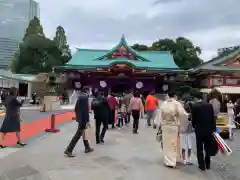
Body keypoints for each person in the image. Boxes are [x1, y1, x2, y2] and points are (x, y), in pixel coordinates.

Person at [160, 91, 188, 168]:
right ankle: (174, 160)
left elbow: (160, 114)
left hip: (165, 125)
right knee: (174, 143)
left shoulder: (164, 103)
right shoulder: (177, 103)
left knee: (166, 144)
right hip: (173, 125)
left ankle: (168, 160)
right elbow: (182, 114)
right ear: (175, 96)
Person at [64, 89, 94, 157]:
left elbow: (76, 108)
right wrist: (87, 120)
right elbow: (85, 110)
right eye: (90, 90)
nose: (91, 92)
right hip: (83, 120)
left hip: (81, 119)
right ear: (87, 91)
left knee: (84, 133)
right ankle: (69, 150)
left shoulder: (81, 97)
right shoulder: (85, 97)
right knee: (78, 135)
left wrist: (78, 117)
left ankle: (87, 148)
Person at [191, 92, 216, 171]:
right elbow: (213, 118)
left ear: (196, 98)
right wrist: (213, 128)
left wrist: (194, 126)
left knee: (199, 148)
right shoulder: (209, 105)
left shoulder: (195, 106)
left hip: (199, 130)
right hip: (208, 130)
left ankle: (201, 165)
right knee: (207, 148)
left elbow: (193, 120)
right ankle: (208, 164)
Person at [180, 98, 194, 165]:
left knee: (184, 146)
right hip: (189, 132)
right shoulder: (191, 115)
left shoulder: (183, 114)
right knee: (189, 146)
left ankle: (184, 160)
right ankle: (187, 159)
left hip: (183, 131)